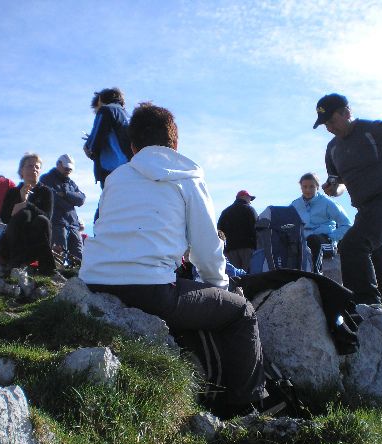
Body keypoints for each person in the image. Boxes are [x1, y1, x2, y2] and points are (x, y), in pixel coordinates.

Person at [79, 102, 266, 419]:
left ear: (132, 146)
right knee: (242, 313)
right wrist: (221, 287)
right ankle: (244, 410)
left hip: (93, 283)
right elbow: (206, 249)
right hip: (151, 291)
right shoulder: (188, 176)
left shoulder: (115, 178)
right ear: (175, 144)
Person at [313, 93, 382, 304]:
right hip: (365, 211)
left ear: (346, 113)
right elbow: (339, 185)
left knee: (352, 246)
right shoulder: (332, 149)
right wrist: (332, 190)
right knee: (379, 263)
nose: (329, 127)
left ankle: (364, 307)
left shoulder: (372, 130)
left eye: (331, 121)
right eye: (325, 124)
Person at [0, 153, 56, 275]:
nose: (34, 169)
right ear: (21, 170)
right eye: (30, 166)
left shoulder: (45, 191)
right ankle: (15, 264)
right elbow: (4, 217)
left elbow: (47, 216)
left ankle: (47, 268)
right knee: (23, 215)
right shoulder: (13, 192)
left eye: (37, 167)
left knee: (41, 220)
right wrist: (21, 202)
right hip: (13, 242)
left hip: (36, 240)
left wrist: (27, 204)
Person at [290, 172, 351, 273]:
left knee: (314, 241)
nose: (308, 190)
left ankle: (316, 273)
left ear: (317, 187)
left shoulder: (327, 203)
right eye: (304, 187)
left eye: (311, 187)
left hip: (325, 241)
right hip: (304, 241)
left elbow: (346, 224)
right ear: (301, 187)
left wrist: (331, 237)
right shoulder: (295, 205)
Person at [39, 154, 86, 265]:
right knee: (58, 254)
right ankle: (57, 278)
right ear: (58, 164)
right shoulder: (46, 178)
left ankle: (77, 277)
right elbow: (52, 197)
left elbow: (82, 199)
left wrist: (65, 194)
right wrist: (71, 199)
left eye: (70, 168)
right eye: (66, 167)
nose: (68, 170)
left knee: (78, 254)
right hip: (57, 222)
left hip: (73, 224)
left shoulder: (71, 183)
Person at [83, 87, 133, 188]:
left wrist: (89, 148)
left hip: (111, 171)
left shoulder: (105, 111)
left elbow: (95, 143)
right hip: (129, 169)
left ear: (100, 101)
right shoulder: (127, 116)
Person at [217, 190, 258, 271]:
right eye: (250, 198)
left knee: (235, 277)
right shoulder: (250, 209)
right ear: (244, 197)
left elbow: (219, 231)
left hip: (231, 250)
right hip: (248, 248)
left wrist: (224, 249)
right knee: (250, 274)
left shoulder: (225, 212)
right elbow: (257, 228)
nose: (250, 201)